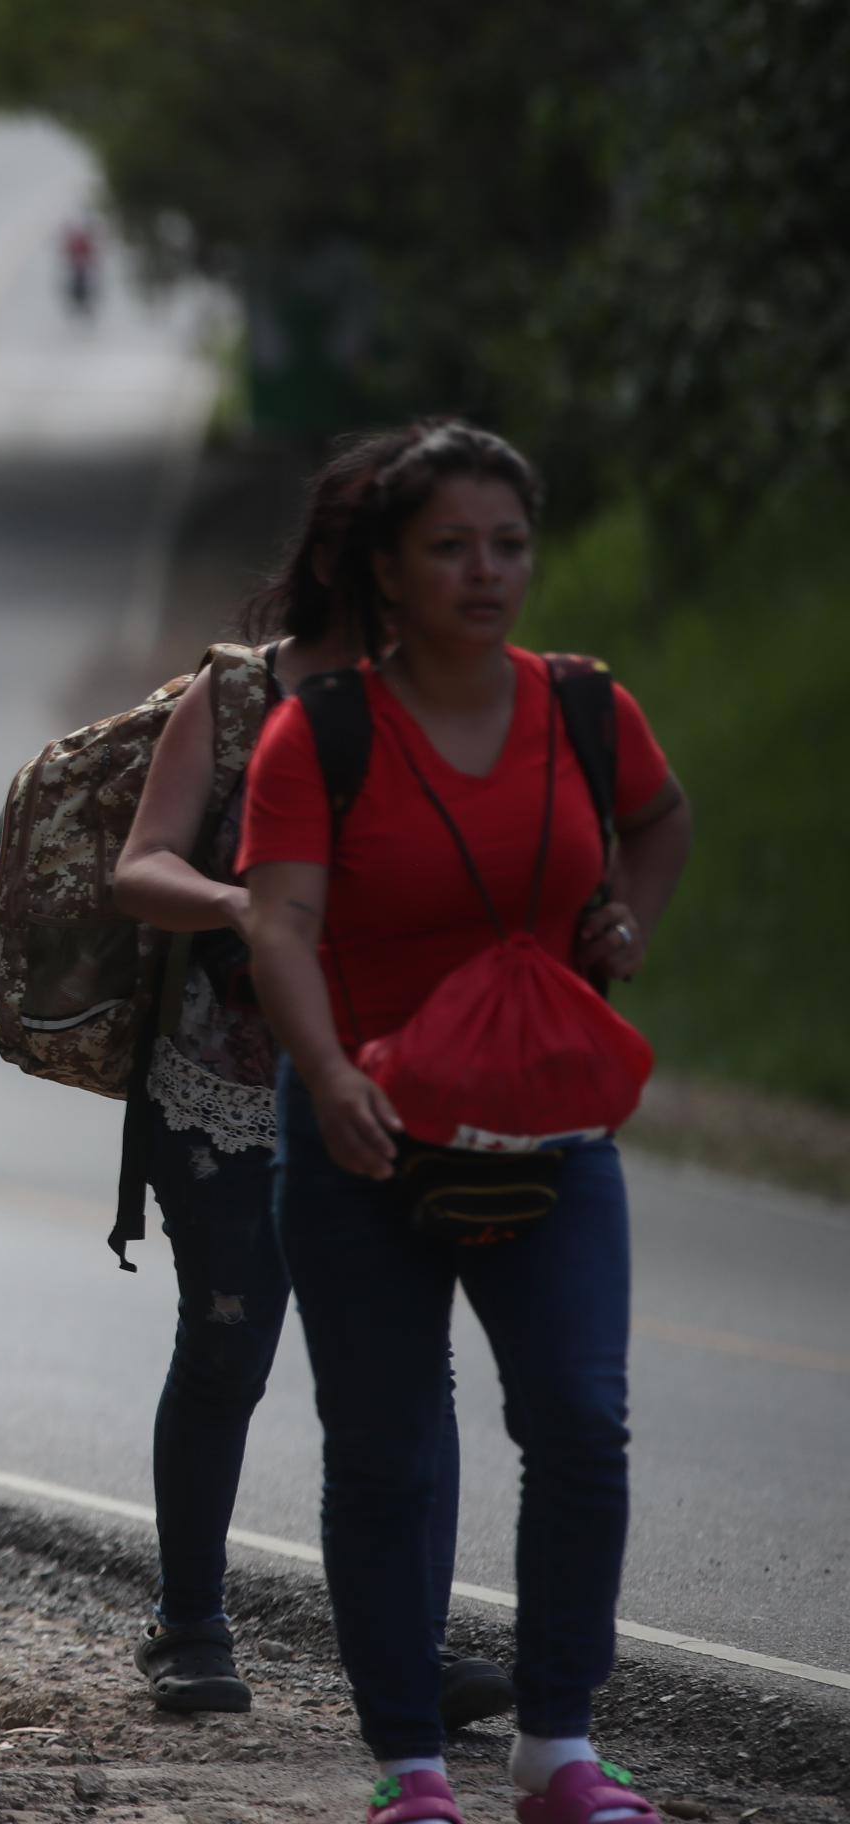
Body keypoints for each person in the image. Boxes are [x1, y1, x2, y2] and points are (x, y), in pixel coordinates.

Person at [239, 421, 692, 1824]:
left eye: (507, 544)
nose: (486, 571)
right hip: (363, 1132)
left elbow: (661, 821)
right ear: (387, 568)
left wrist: (627, 920)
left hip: (542, 1123)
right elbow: (281, 923)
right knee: (385, 1445)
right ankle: (412, 1768)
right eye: (450, 546)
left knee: (579, 1422)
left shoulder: (583, 708)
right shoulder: (319, 734)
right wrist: (328, 1075)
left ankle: (558, 1747)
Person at [110, 437, 511, 1726]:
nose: (446, 572)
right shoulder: (235, 700)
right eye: (424, 543)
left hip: (401, 1085)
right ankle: (188, 1624)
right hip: (227, 1085)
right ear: (354, 554)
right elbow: (141, 867)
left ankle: (409, 1645)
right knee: (229, 1347)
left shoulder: (459, 702)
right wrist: (250, 904)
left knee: (408, 1373)